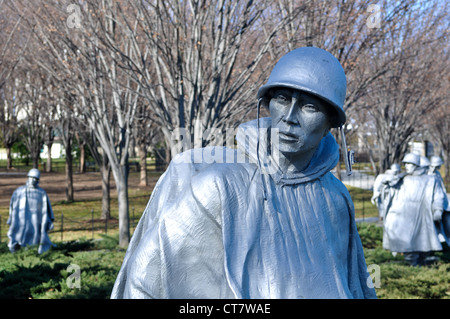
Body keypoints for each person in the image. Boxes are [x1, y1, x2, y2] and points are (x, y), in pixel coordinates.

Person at [111, 47, 376, 299]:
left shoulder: (336, 199)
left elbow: (355, 286)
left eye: (309, 107)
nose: (289, 117)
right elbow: (145, 280)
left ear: (332, 121)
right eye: (282, 99)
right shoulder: (219, 185)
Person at [383, 153, 446, 266]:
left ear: (416, 165)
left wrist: (438, 210)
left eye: (409, 164)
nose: (406, 166)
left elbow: (438, 196)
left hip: (422, 215)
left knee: (422, 243)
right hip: (403, 216)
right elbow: (390, 193)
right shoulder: (402, 179)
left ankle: (420, 264)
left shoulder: (430, 180)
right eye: (405, 163)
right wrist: (387, 184)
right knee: (407, 243)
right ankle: (412, 264)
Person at [7, 168, 55, 254]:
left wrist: (49, 220)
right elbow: (12, 205)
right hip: (21, 219)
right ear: (28, 177)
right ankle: (17, 248)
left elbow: (47, 208)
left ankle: (32, 251)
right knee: (18, 235)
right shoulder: (19, 191)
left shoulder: (41, 193)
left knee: (35, 235)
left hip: (36, 220)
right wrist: (10, 217)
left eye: (35, 178)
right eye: (31, 177)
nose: (33, 180)